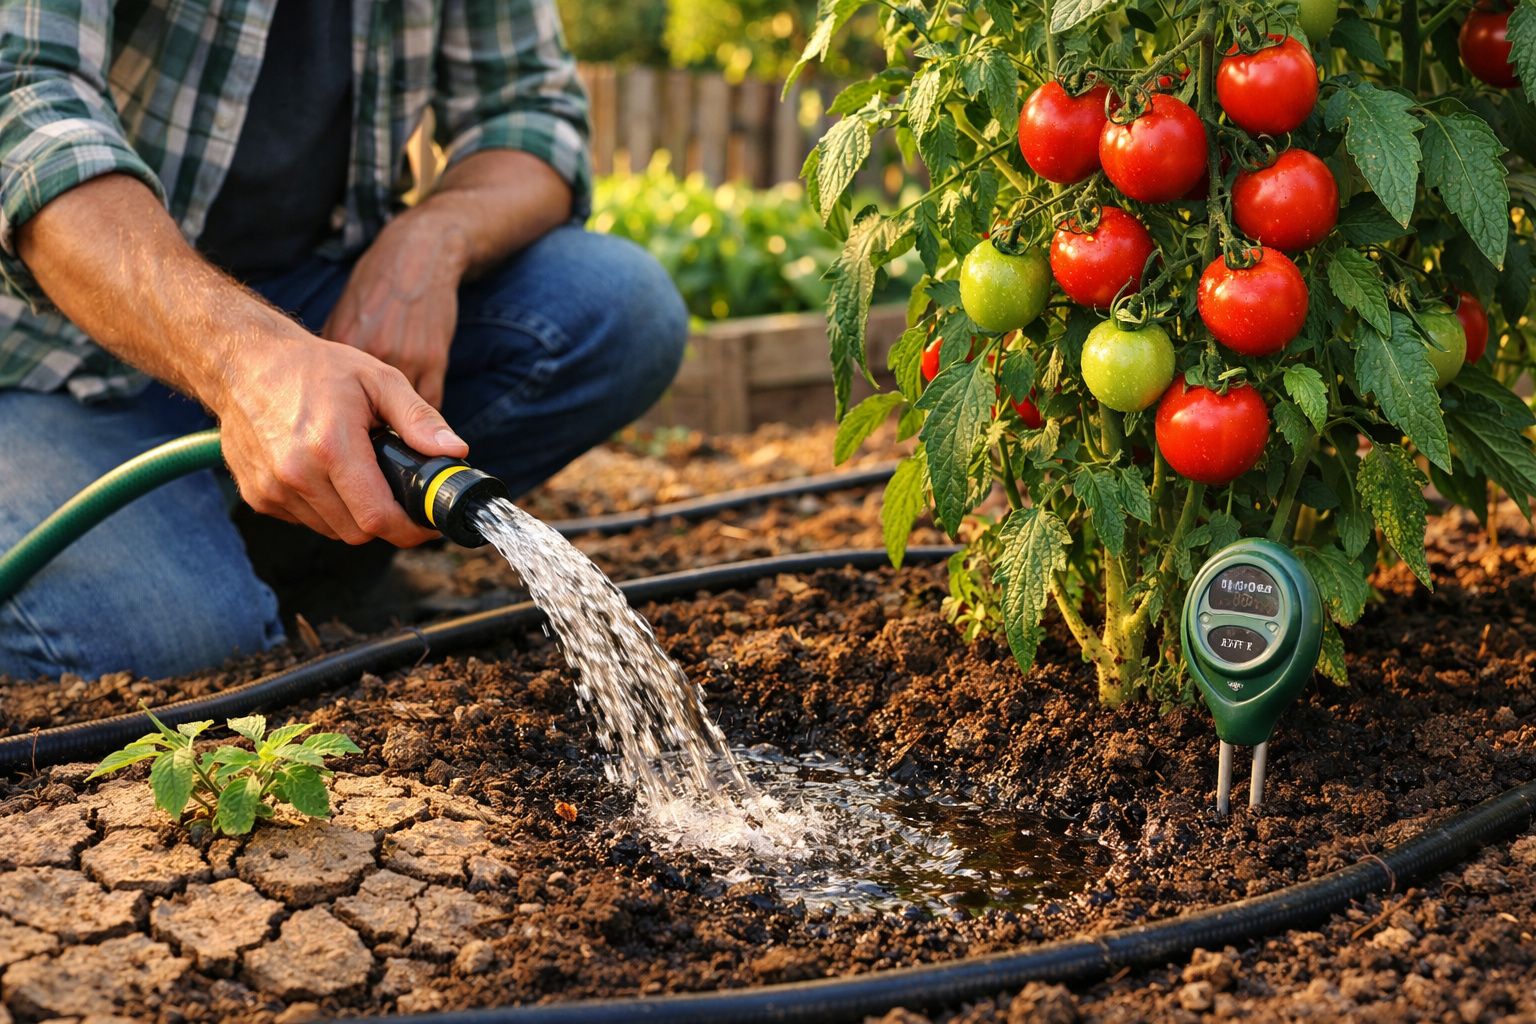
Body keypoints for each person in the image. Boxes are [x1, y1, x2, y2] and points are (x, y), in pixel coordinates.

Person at [0, 1, 689, 681]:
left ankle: (273, 559)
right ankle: (203, 574)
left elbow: (532, 112)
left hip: (308, 312)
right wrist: (248, 360)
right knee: (181, 644)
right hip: (43, 357)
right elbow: (24, 109)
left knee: (617, 305)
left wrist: (435, 236)